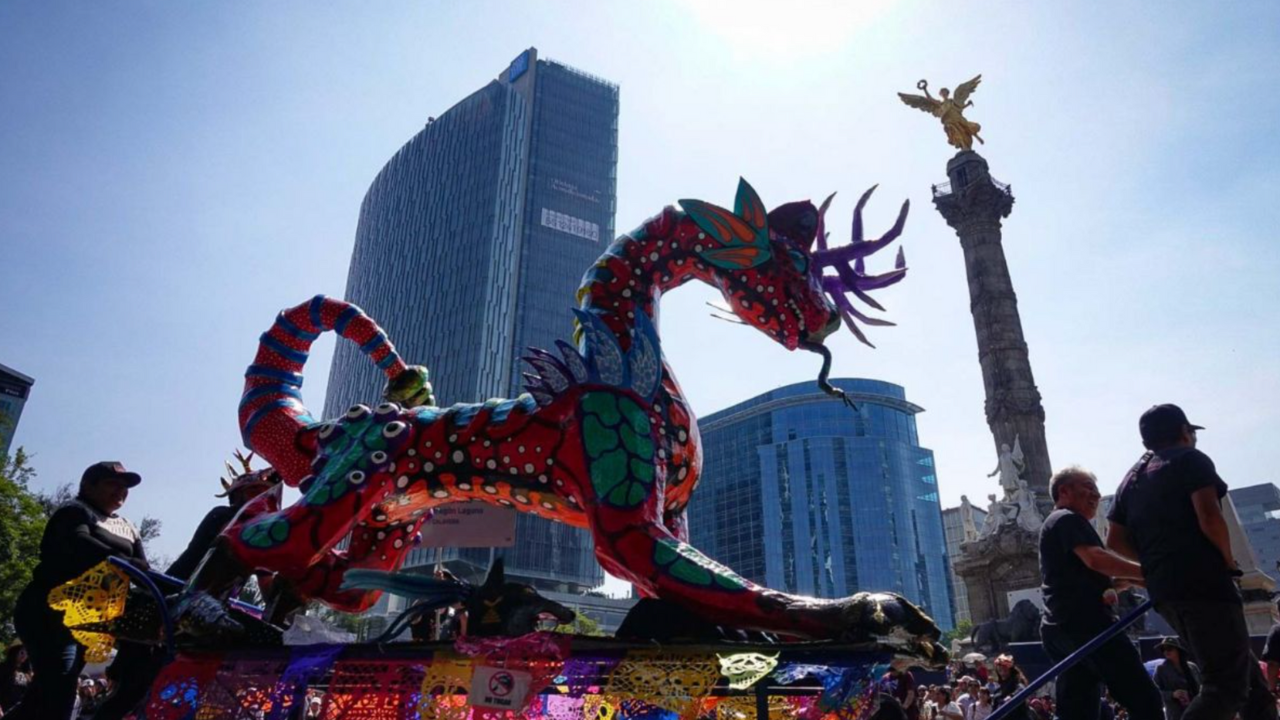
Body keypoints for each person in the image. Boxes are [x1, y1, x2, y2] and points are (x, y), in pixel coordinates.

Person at [1106, 404, 1276, 720]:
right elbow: (1210, 516)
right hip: (1205, 582)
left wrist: (1157, 562)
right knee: (1225, 686)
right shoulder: (1190, 459)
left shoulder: (1130, 480)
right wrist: (1228, 560)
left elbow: (1114, 541)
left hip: (1165, 592)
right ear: (1185, 431)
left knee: (1250, 681)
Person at [6, 462, 148, 720]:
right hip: (49, 613)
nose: (121, 490)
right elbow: (78, 543)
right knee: (60, 689)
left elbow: (145, 570)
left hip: (91, 624)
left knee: (44, 695)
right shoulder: (74, 511)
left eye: (125, 487)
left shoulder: (128, 527)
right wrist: (123, 561)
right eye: (112, 484)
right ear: (88, 486)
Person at [1039, 465, 1162, 720]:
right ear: (1064, 491)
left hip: (1059, 627)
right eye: (1088, 488)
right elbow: (1096, 559)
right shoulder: (1067, 519)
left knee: (1079, 708)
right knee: (1143, 698)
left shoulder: (1056, 525)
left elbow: (1097, 580)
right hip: (1087, 625)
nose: (1096, 495)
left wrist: (1139, 580)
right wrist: (1152, 571)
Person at [1154, 636, 1202, 720]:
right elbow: (1155, 692)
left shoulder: (1192, 667)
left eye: (1169, 648)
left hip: (1195, 711)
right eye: (1163, 649)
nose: (1166, 652)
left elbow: (1202, 687)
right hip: (1176, 714)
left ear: (1178, 650)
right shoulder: (1161, 669)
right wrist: (1172, 694)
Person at [991, 655, 1030, 720]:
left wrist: (1011, 696)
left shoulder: (1016, 681)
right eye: (999, 667)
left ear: (1009, 669)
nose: (1001, 669)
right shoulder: (998, 691)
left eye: (1004, 667)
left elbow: (1021, 689)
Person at [0, 642, 31, 713]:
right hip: (5, 710)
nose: (24, 656)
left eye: (27, 653)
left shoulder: (27, 673)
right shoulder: (3, 667)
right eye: (22, 652)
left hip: (21, 712)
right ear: (15, 651)